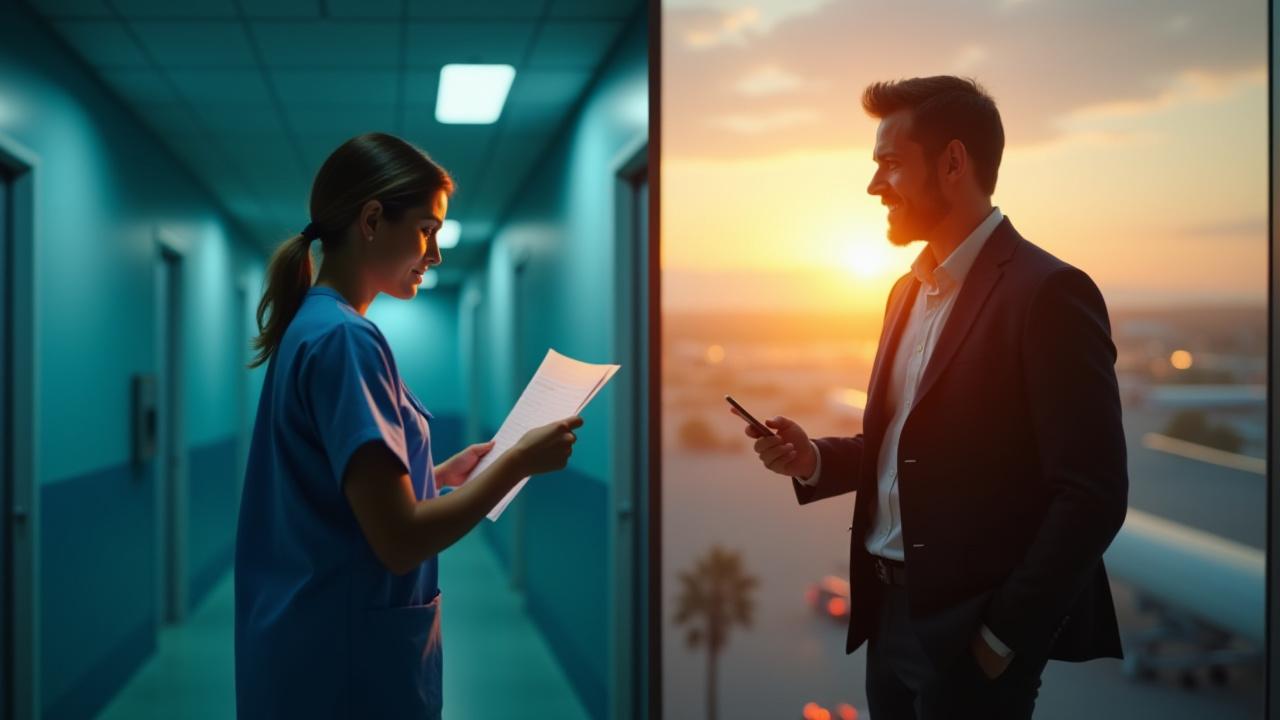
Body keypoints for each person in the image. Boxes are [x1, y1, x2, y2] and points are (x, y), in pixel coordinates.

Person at [737, 77, 1128, 719]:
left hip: (974, 637)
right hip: (887, 619)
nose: (873, 185)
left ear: (953, 162)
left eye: (890, 163)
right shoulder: (905, 292)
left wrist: (1001, 639)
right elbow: (903, 449)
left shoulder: (1049, 292)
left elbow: (1093, 493)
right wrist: (812, 459)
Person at [234, 132, 582, 719]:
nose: (436, 252)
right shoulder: (347, 338)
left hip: (311, 647)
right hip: (345, 667)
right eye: (426, 229)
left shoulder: (314, 326)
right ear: (372, 220)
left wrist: (438, 474)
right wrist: (519, 462)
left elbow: (337, 484)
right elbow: (398, 541)